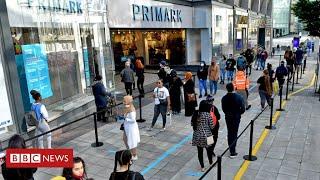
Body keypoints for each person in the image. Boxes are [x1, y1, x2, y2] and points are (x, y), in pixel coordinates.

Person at [221, 83, 245, 158]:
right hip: (236, 117)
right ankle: (233, 150)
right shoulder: (239, 97)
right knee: (234, 132)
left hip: (228, 117)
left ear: (226, 89)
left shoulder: (224, 98)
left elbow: (223, 109)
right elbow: (243, 108)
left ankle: (230, 147)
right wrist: (238, 113)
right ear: (234, 88)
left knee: (229, 132)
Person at [191, 101, 215, 172]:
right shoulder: (208, 115)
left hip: (197, 135)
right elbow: (212, 126)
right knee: (209, 150)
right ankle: (211, 163)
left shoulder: (196, 114)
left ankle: (202, 167)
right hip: (208, 135)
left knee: (200, 152)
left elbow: (192, 124)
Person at [122, 95, 140, 160]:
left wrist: (125, 118)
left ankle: (134, 155)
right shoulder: (127, 106)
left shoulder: (132, 109)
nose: (123, 102)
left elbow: (133, 120)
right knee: (125, 138)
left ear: (128, 101)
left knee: (132, 141)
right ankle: (129, 152)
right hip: (127, 126)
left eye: (124, 100)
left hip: (131, 128)